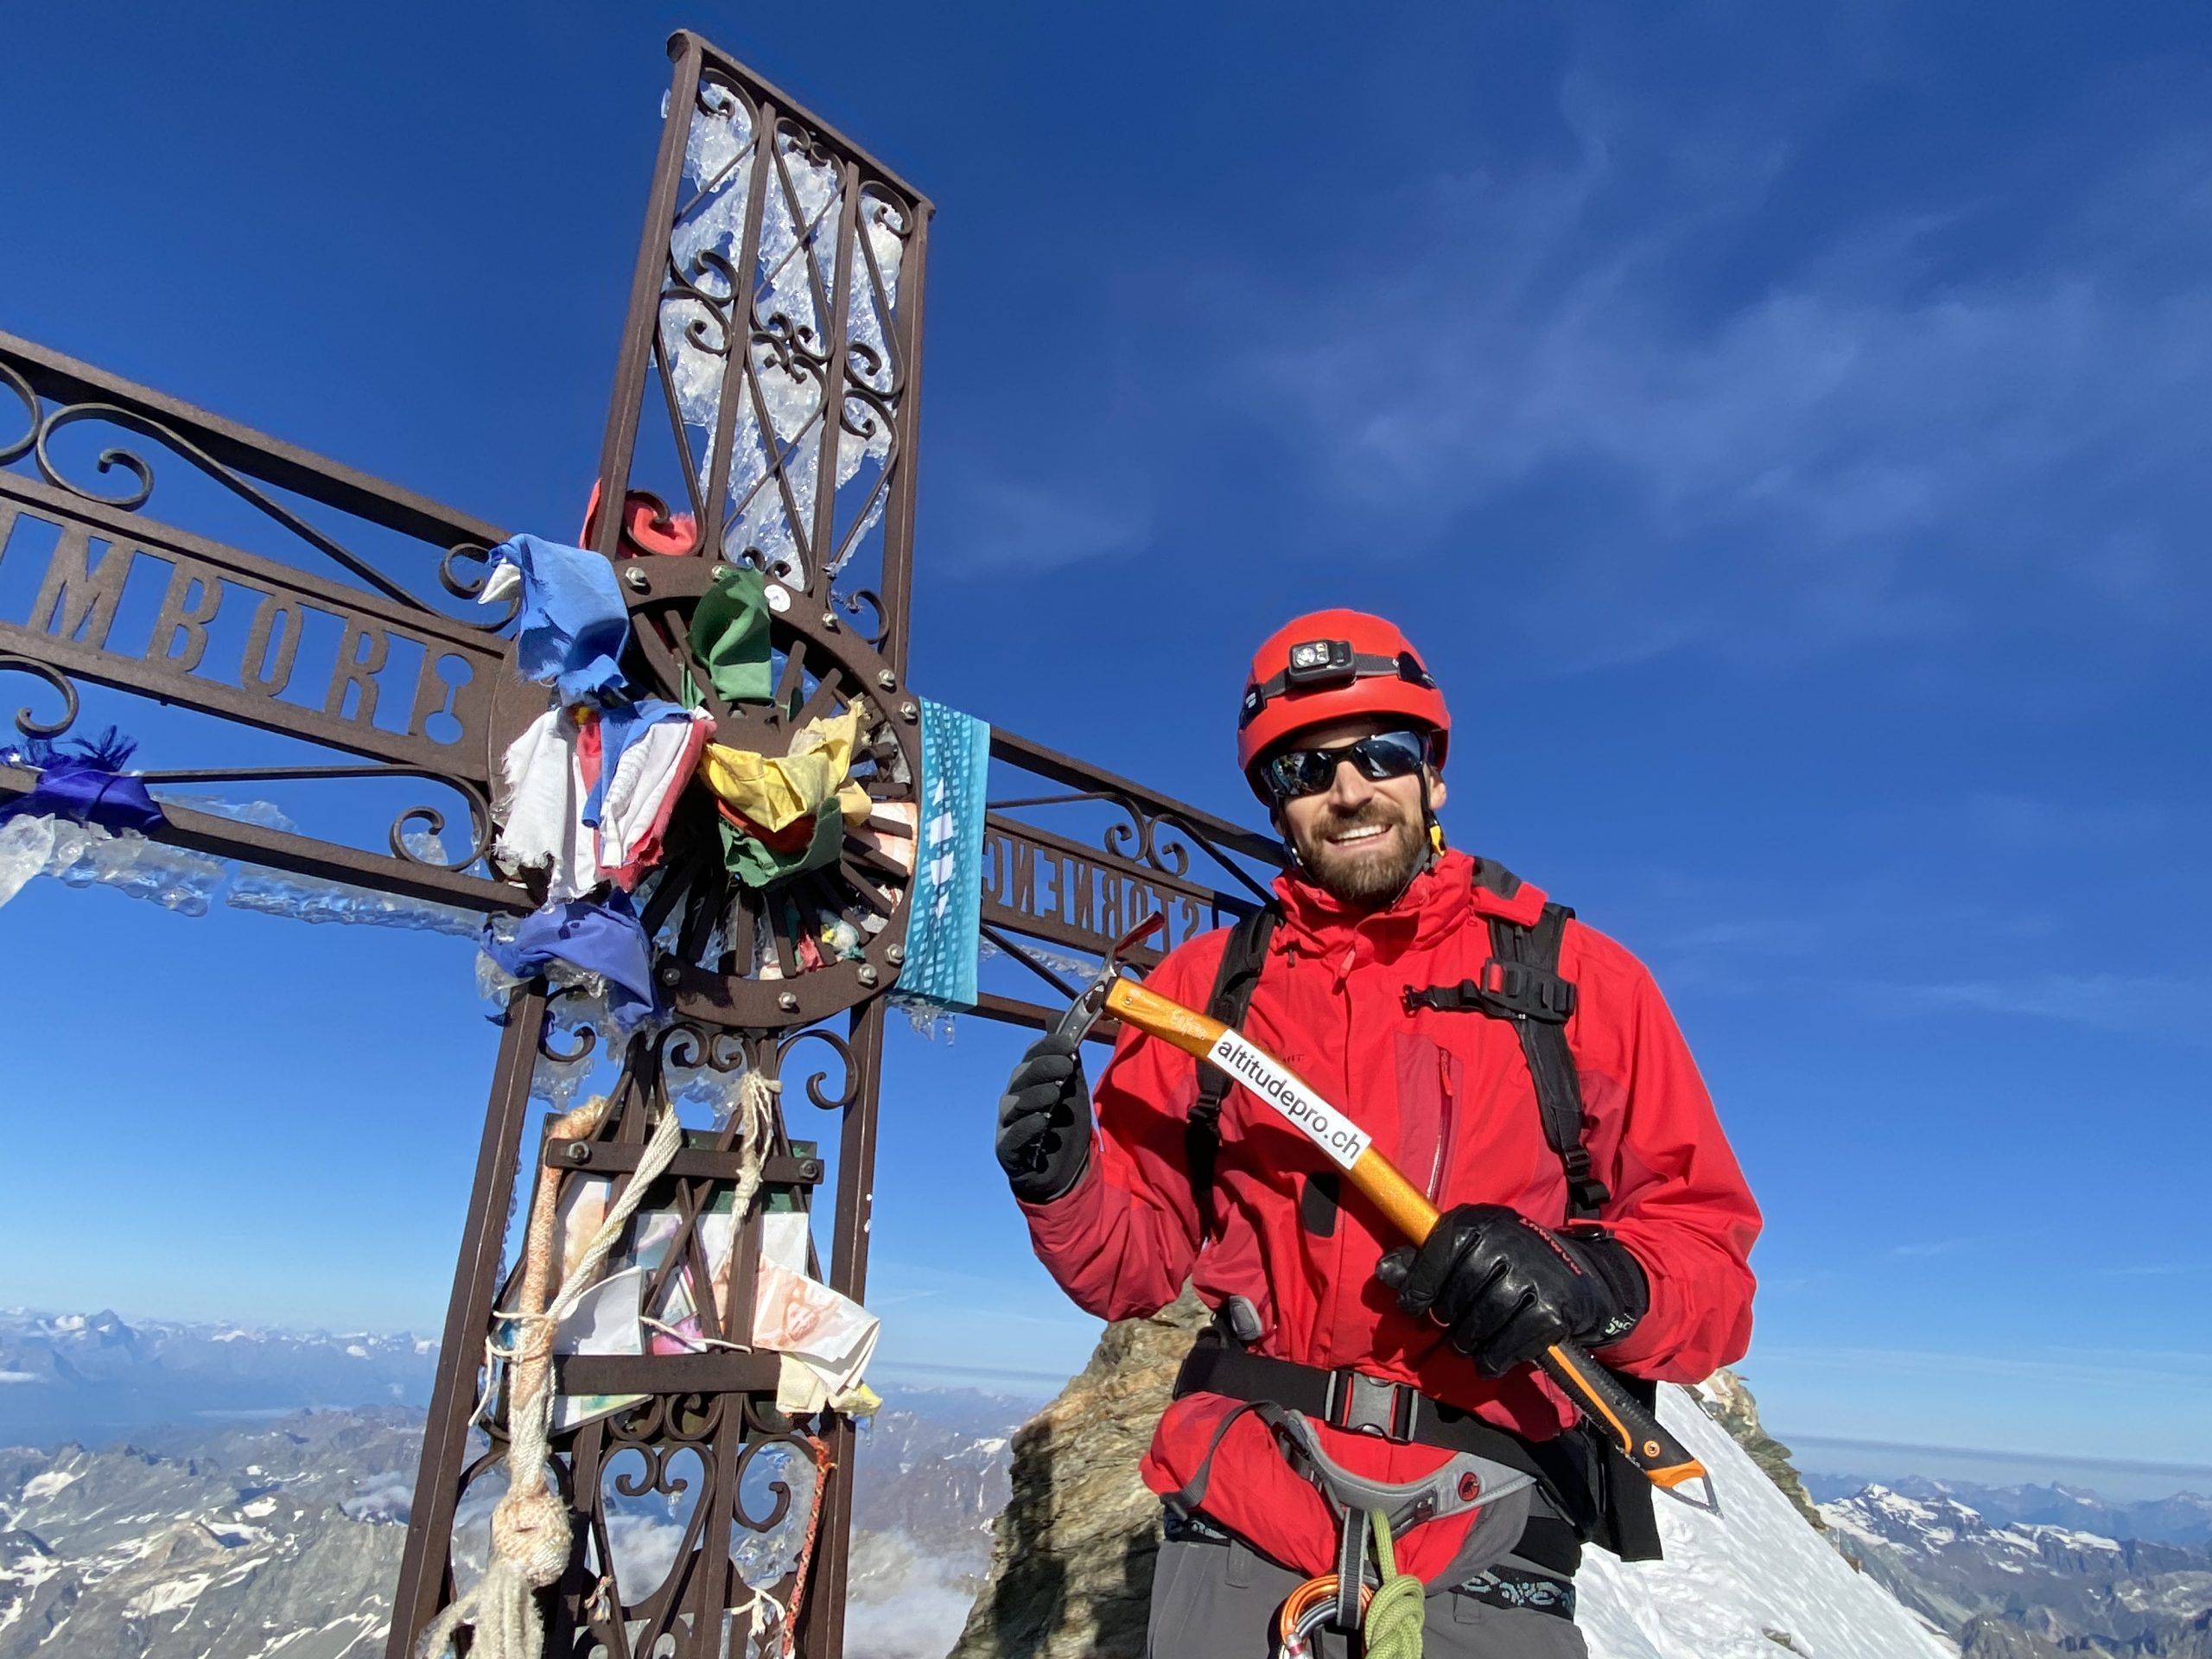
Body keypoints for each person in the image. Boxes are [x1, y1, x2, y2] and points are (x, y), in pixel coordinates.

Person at [993, 610, 1763, 1656]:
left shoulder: (1582, 984)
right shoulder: (1201, 992)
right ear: (1276, 802)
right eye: (1304, 770)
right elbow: (1131, 1271)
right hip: (1241, 1516)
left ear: (1432, 776)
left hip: (1487, 1527)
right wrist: (1061, 1178)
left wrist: (1591, 1283)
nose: (1347, 789)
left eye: (1381, 754)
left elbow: (1710, 1266)